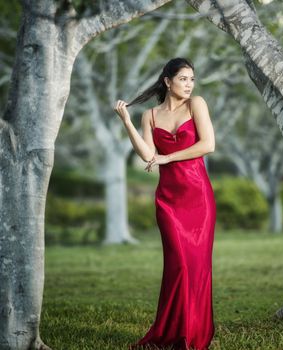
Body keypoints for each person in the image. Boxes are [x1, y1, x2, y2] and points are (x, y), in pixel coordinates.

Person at [113, 57, 216, 350]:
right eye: (183, 79)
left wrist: (168, 157)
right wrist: (127, 122)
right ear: (168, 81)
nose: (189, 84)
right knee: (178, 266)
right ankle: (170, 333)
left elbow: (208, 144)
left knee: (197, 267)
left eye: (192, 79)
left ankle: (191, 334)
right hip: (169, 201)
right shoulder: (150, 116)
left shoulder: (196, 104)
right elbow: (147, 155)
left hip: (199, 198)